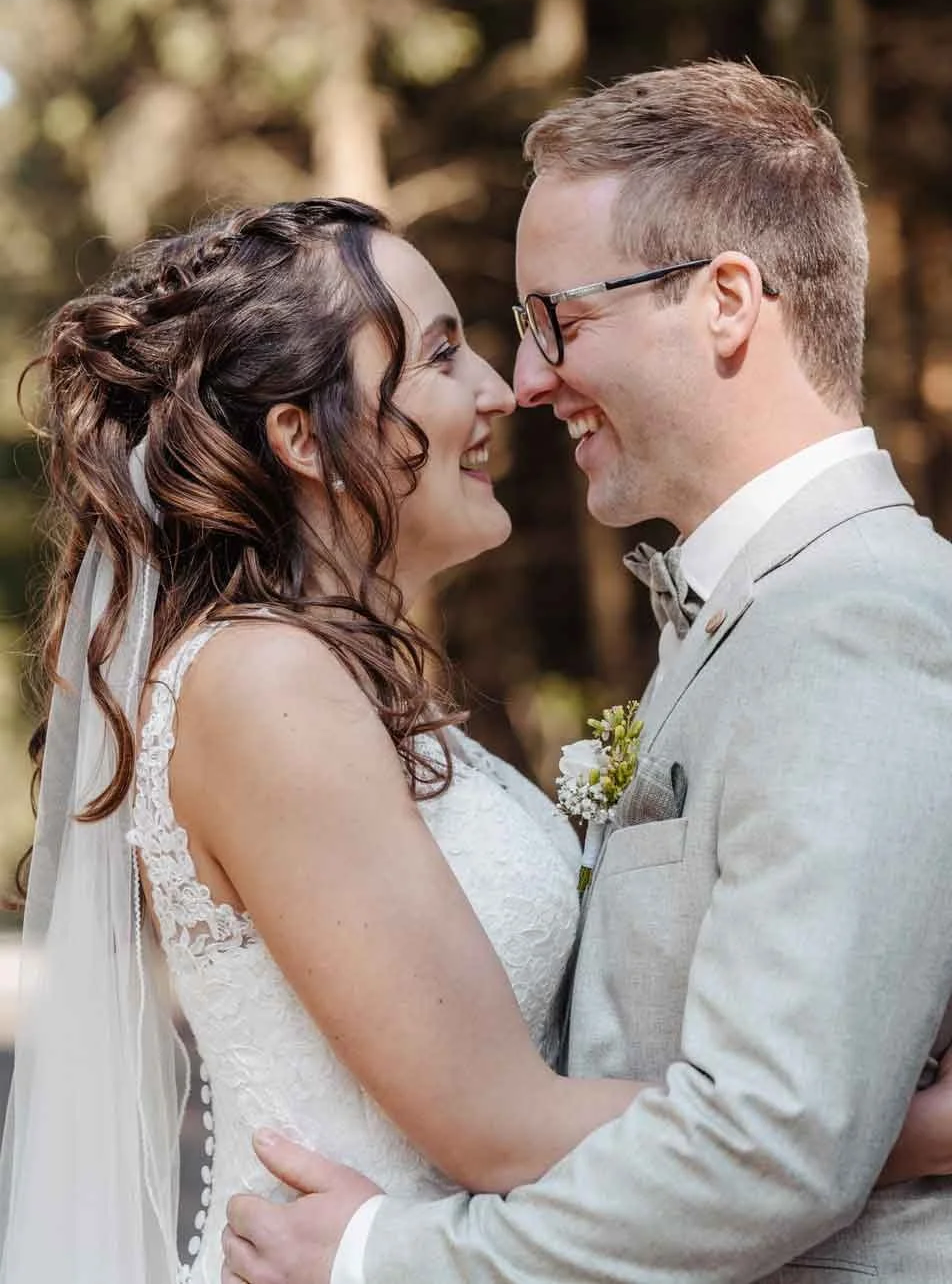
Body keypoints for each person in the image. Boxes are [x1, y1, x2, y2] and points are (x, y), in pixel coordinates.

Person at [225, 63, 952, 1283]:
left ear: (726, 300)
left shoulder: (858, 616)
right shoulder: (752, 617)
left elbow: (774, 1139)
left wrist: (383, 1258)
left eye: (561, 316)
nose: (529, 378)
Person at [0, 195, 690, 1284]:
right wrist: (878, 1122)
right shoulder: (264, 682)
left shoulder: (340, 683)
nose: (500, 391)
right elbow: (499, 1124)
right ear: (301, 436)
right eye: (443, 355)